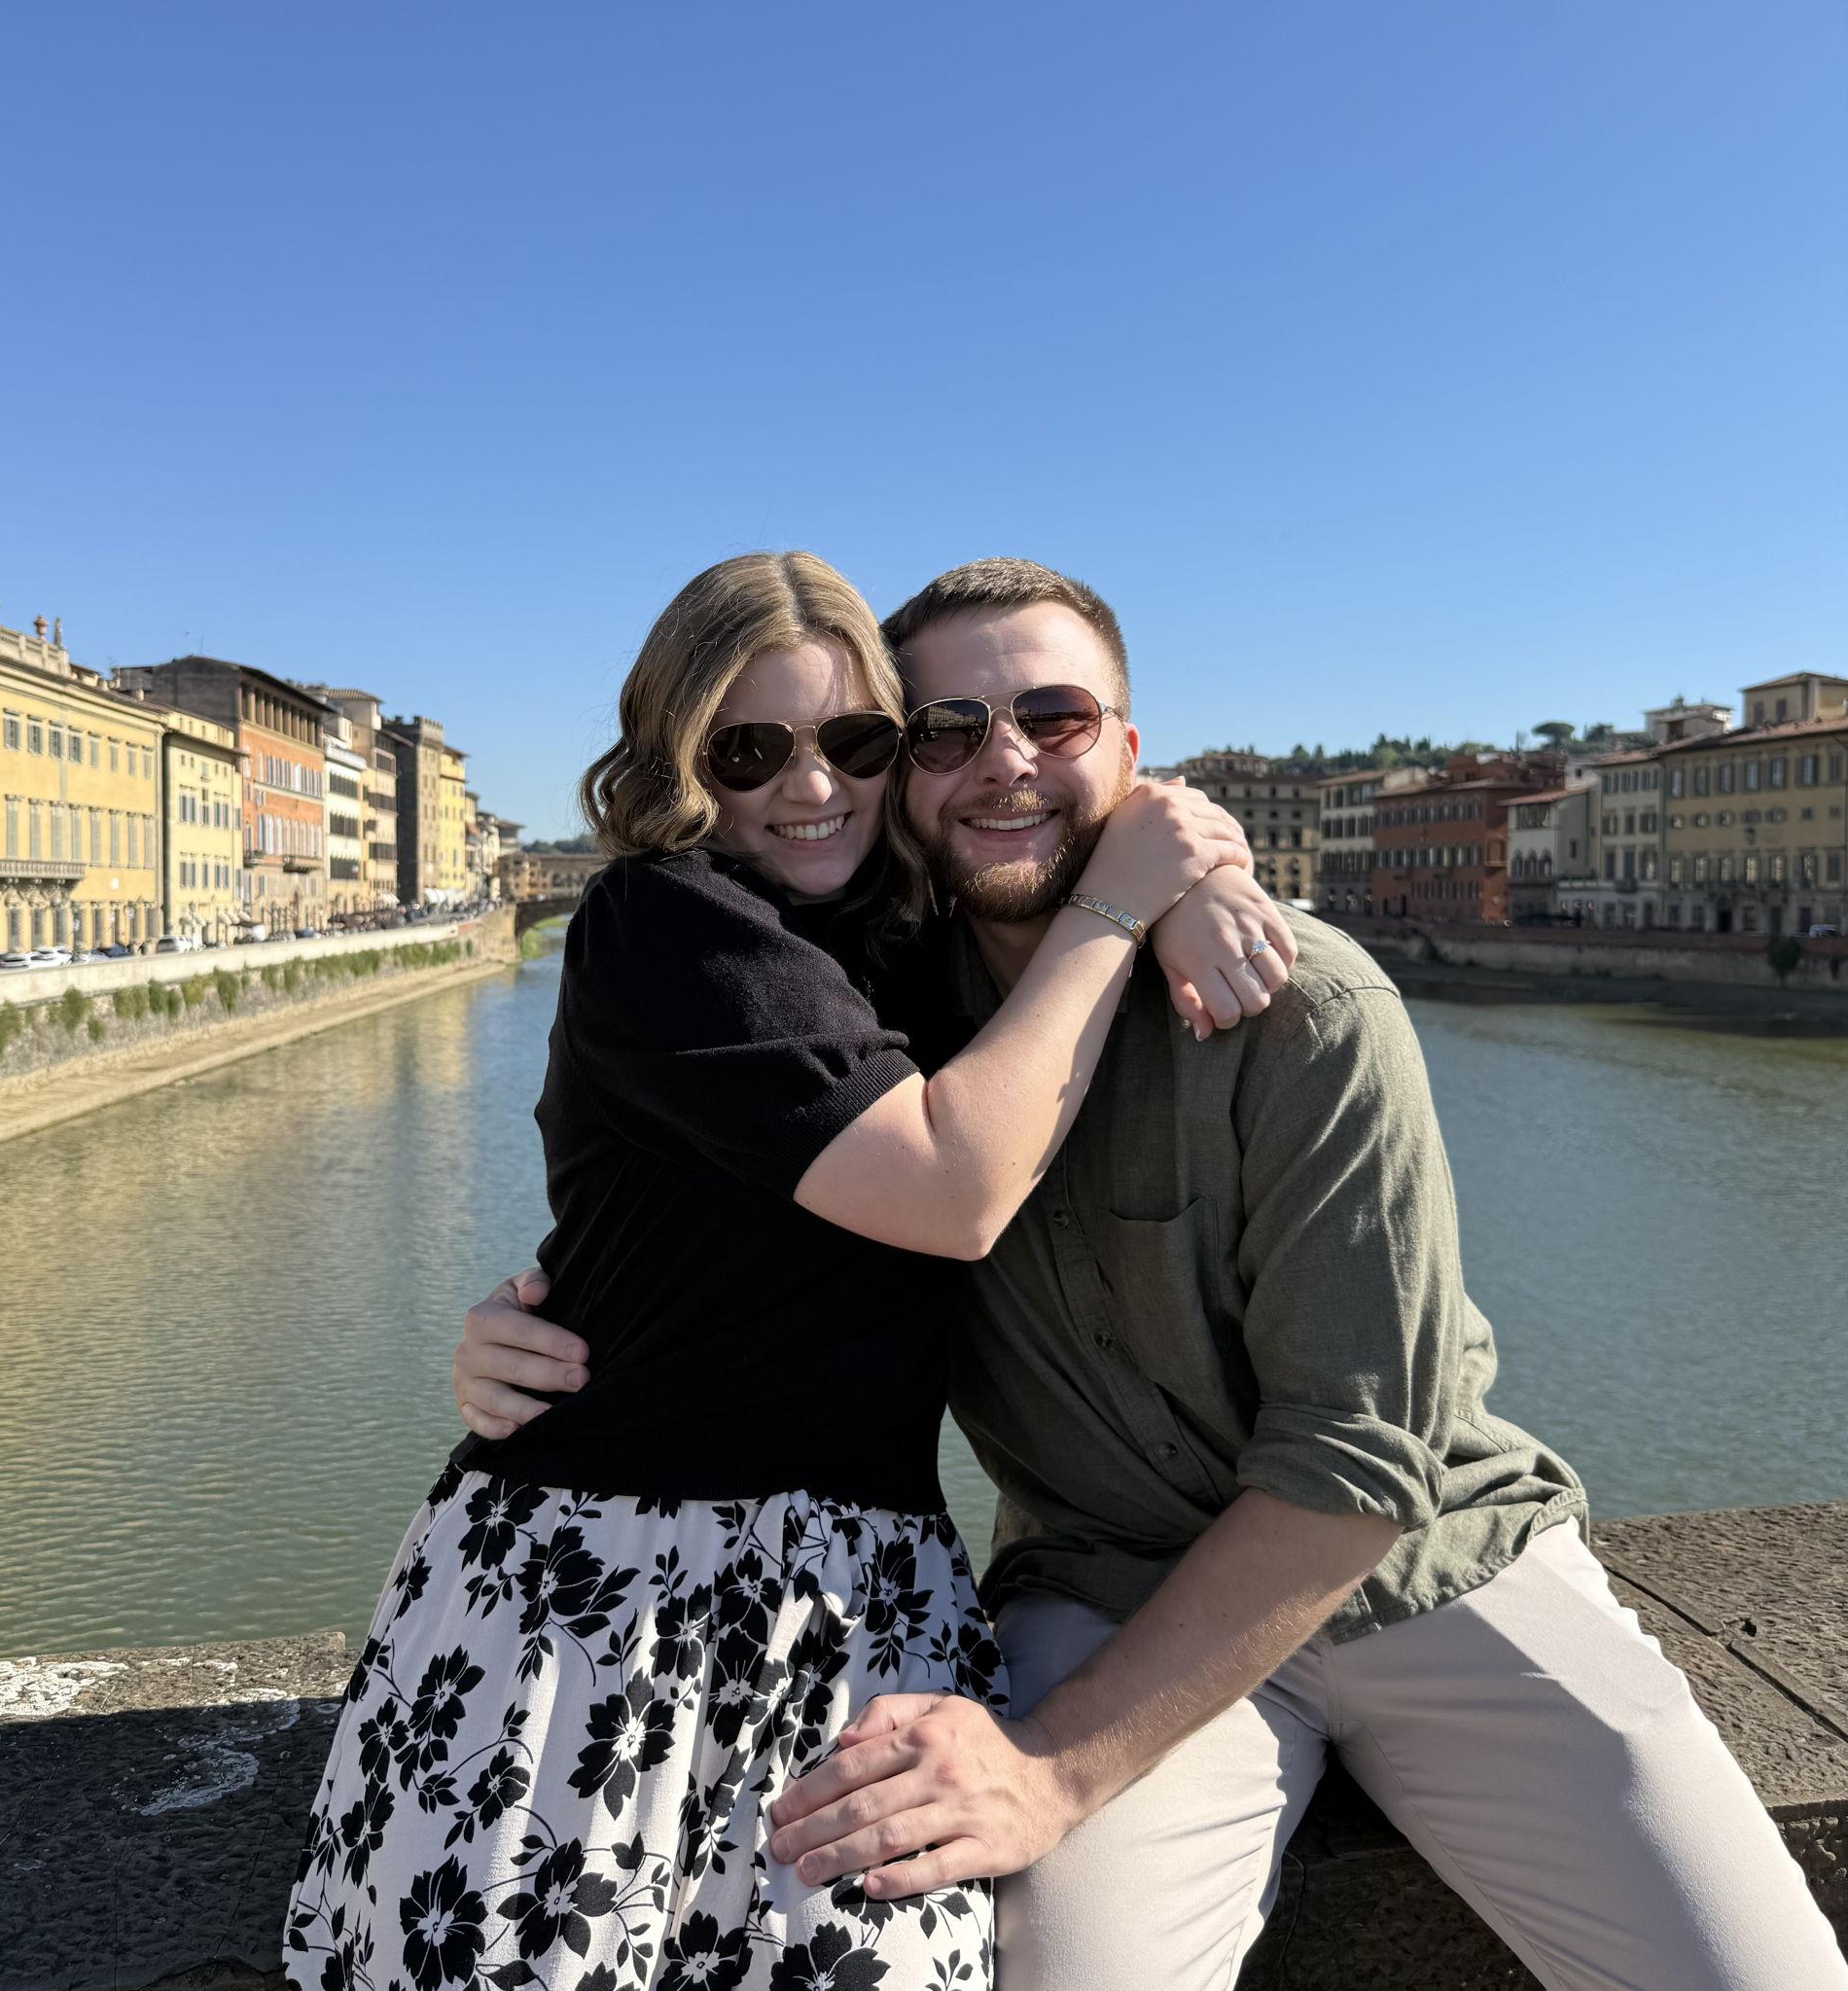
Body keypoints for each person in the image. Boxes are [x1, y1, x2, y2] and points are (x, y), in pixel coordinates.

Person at [458, 557, 1848, 1991]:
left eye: (1055, 721)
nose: (1003, 764)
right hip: (1104, 1594)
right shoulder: (874, 1019)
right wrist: (543, 1328)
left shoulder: (1300, 1005)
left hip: (1433, 1572)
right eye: (941, 731)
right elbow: (700, 1207)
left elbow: (1360, 1457)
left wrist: (1052, 1772)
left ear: (1128, 755)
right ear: (901, 781)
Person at [286, 551, 1293, 1991]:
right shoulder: (666, 920)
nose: (809, 787)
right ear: (676, 758)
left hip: (860, 1598)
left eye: (857, 743)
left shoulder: (915, 946)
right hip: (603, 1590)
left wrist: (1192, 886)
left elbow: (1074, 828)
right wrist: (1126, 913)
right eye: (748, 749)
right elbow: (952, 1188)